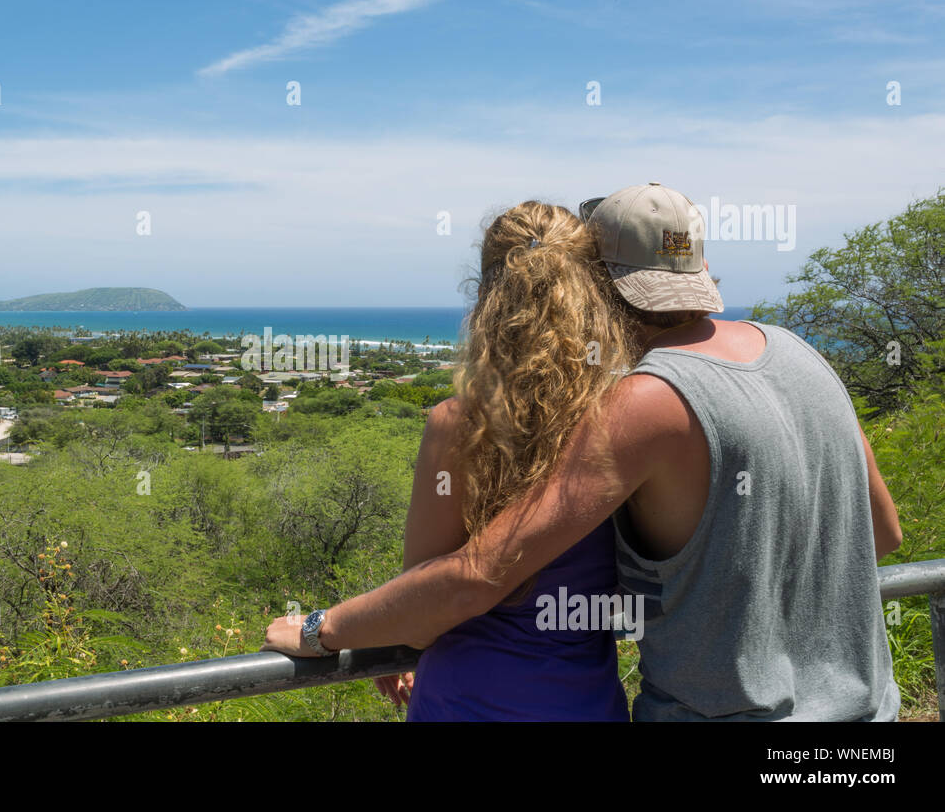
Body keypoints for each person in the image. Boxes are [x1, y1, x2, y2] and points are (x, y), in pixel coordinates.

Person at [262, 182, 902, 722]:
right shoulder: (799, 352)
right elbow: (881, 532)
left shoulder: (644, 401)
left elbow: (476, 577)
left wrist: (325, 628)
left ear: (598, 284)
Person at [371, 200, 633, 720]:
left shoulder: (460, 425)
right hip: (584, 703)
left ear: (487, 295)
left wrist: (380, 637)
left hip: (464, 701)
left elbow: (425, 587)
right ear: (594, 294)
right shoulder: (628, 418)